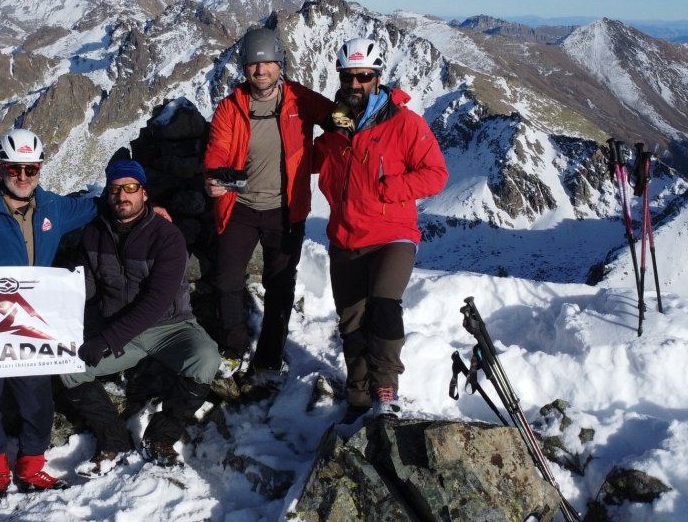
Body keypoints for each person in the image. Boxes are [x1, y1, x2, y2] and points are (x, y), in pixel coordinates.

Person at [0, 128, 95, 501]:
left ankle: (30, 467)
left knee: (37, 401)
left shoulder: (54, 208)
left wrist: (144, 203)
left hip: (31, 325)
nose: (23, 177)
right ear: (1, 169)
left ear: (41, 168)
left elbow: (97, 205)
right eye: (15, 169)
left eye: (31, 169)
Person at [312, 38, 448, 422]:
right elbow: (312, 160)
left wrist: (389, 189)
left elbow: (436, 174)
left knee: (384, 308)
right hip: (345, 237)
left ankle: (385, 388)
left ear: (377, 77)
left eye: (364, 76)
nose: (356, 83)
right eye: (349, 76)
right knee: (352, 323)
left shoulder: (405, 123)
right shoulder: (337, 126)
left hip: (392, 236)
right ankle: (357, 398)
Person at [63, 158, 222, 475]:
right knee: (69, 368)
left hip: (171, 328)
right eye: (116, 189)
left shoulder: (167, 237)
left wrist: (106, 339)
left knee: (206, 358)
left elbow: (157, 301)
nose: (123, 196)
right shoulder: (94, 235)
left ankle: (161, 436)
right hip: (122, 332)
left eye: (131, 188)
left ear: (144, 193)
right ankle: (114, 441)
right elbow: (86, 286)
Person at [204, 27, 334, 374]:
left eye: (268, 64)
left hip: (285, 211)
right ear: (244, 68)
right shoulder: (231, 107)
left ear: (280, 65)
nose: (261, 71)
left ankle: (269, 356)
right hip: (241, 209)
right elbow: (217, 149)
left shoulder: (299, 99)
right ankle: (232, 347)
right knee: (227, 280)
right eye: (253, 65)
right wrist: (216, 177)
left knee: (280, 286)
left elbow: (336, 122)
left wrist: (312, 157)